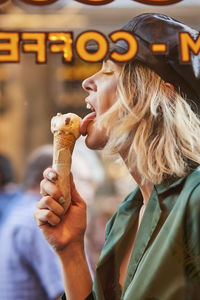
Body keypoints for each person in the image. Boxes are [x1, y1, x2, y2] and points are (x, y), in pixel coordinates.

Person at [34, 13, 200, 300]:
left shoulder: (195, 199)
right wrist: (71, 249)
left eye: (109, 71)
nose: (87, 81)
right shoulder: (127, 213)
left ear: (160, 97)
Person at [0, 145, 64, 300]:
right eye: (83, 180)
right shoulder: (41, 219)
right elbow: (65, 294)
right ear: (52, 175)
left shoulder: (17, 209)